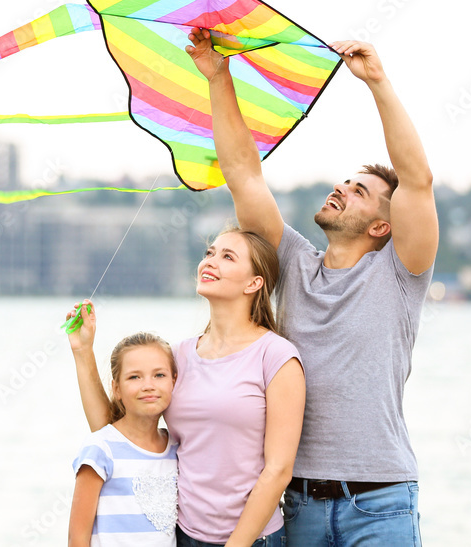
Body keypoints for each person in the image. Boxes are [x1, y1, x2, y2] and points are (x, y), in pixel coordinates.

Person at [184, 28, 438, 546]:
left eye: (360, 191)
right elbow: (243, 173)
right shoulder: (296, 262)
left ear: (382, 226)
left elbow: (418, 182)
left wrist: (377, 82)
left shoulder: (401, 272)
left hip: (381, 500)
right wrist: (217, 76)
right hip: (297, 504)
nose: (341, 188)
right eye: (344, 181)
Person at [68, 226, 306, 547]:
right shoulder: (180, 355)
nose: (210, 261)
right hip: (183, 536)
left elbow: (278, 470)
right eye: (209, 253)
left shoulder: (277, 356)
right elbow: (120, 433)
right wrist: (83, 353)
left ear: (254, 283)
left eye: (227, 256)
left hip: (254, 540)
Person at [68, 332, 179, 546]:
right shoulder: (100, 449)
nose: (148, 385)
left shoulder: (176, 448)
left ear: (174, 381)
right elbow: (77, 538)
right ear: (116, 388)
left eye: (159, 375)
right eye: (134, 377)